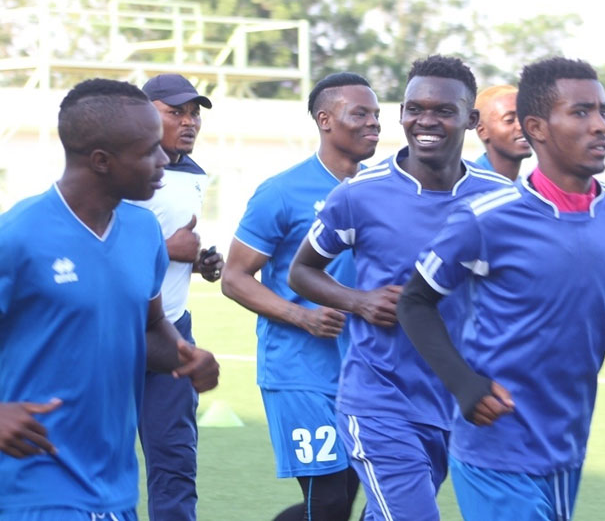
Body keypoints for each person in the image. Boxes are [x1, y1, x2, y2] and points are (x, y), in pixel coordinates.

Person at [395, 57, 605, 521]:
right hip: (495, 447)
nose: (600, 126)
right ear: (537, 128)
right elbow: (415, 303)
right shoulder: (486, 218)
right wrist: (464, 385)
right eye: (581, 112)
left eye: (603, 112)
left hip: (566, 445)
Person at [288, 55, 511, 521]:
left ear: (470, 120)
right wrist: (359, 301)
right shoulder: (359, 194)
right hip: (379, 398)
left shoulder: (502, 198)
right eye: (414, 108)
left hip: (458, 400)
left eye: (443, 111)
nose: (425, 120)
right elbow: (302, 272)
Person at [0, 78, 219, 521]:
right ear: (101, 161)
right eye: (148, 151)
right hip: (32, 489)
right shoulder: (18, 236)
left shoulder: (142, 233)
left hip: (114, 493)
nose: (163, 161)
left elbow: (150, 327)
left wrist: (185, 354)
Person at [221, 72, 380, 521]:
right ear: (325, 120)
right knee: (328, 499)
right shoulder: (281, 192)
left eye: (376, 115)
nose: (374, 124)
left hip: (362, 369)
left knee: (343, 499)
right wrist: (302, 316)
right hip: (299, 370)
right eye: (361, 114)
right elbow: (235, 277)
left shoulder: (380, 191)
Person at [127, 73, 224, 521]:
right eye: (175, 112)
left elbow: (173, 244)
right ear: (146, 114)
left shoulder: (193, 172)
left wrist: (198, 261)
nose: (189, 122)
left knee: (175, 463)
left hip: (170, 330)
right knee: (100, 459)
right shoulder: (121, 170)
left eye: (194, 113)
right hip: (113, 331)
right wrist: (167, 251)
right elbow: (95, 249)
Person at [473, 84, 532, 180]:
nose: (521, 126)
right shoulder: (471, 188)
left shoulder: (526, 187)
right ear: (482, 131)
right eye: (509, 120)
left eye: (524, 117)